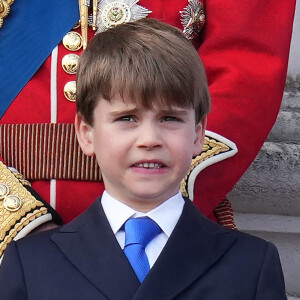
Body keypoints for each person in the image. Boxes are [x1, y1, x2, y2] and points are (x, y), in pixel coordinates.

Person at [0, 19, 286, 299]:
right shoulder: (28, 263)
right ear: (86, 134)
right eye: (127, 118)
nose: (149, 139)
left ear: (199, 134)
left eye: (170, 118)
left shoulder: (252, 265)